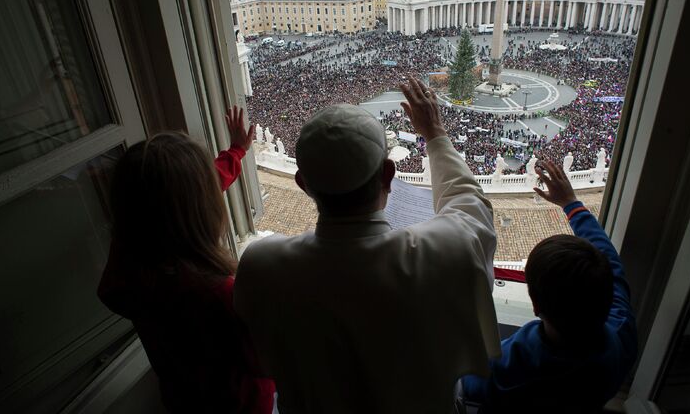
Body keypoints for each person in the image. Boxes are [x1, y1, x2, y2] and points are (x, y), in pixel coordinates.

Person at [234, 79, 501, 414]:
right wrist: (434, 132)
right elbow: (471, 208)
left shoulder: (261, 265)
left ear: (303, 184)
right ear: (388, 174)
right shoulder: (447, 253)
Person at [97, 107, 274, 414]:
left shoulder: (130, 265)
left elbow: (168, 198)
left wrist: (235, 152)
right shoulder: (220, 295)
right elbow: (267, 364)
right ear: (205, 209)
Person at [460, 160, 637, 413]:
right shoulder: (622, 331)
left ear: (535, 305)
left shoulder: (516, 364)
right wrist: (571, 205)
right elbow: (610, 261)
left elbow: (467, 382)